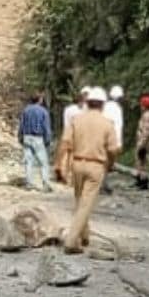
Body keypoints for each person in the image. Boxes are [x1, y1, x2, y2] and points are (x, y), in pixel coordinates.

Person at [58, 87, 119, 253]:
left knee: (79, 201)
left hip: (77, 163)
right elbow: (113, 149)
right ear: (102, 105)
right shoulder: (107, 124)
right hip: (96, 166)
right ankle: (71, 241)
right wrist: (110, 163)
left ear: (87, 102)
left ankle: (84, 236)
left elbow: (65, 143)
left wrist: (59, 165)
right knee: (85, 204)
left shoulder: (76, 120)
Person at [18, 92, 53, 191]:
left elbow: (21, 125)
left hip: (27, 137)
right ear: (40, 100)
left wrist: (20, 137)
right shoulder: (43, 111)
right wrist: (47, 140)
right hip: (38, 138)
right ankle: (45, 184)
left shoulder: (26, 110)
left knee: (29, 161)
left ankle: (28, 183)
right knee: (43, 162)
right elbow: (46, 127)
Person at [57, 85, 89, 182]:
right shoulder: (84, 111)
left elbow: (65, 122)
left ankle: (64, 174)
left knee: (64, 155)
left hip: (67, 132)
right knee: (73, 156)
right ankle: (71, 177)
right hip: (78, 134)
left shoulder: (68, 109)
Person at [133, 95, 149, 189]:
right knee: (139, 161)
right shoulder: (145, 114)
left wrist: (143, 144)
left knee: (143, 161)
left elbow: (147, 131)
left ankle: (143, 182)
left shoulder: (147, 116)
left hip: (144, 142)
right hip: (141, 140)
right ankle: (139, 180)